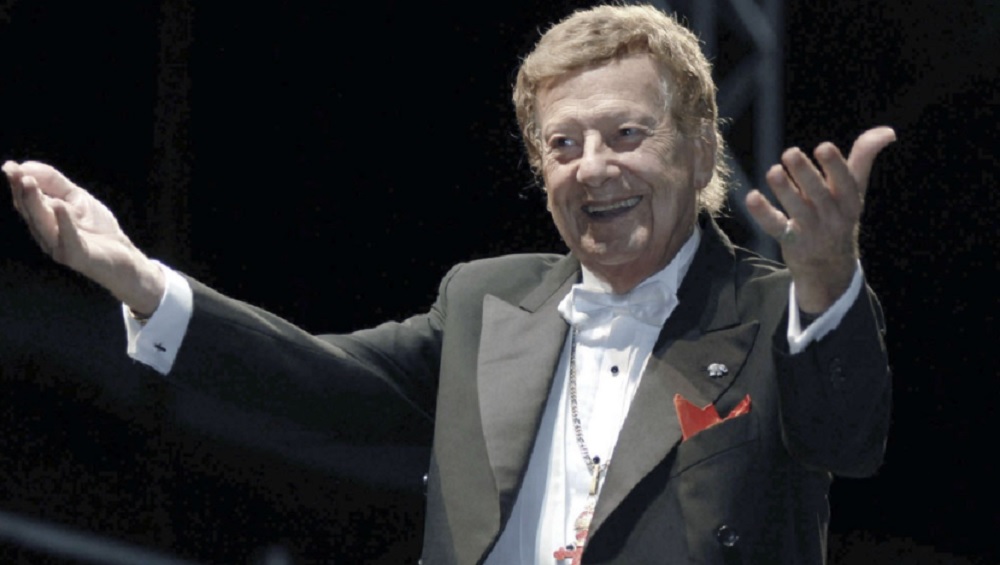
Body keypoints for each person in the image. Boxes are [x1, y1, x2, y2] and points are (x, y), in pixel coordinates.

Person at [4, 4, 893, 564]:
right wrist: (137, 279)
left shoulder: (777, 313)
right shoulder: (483, 302)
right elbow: (313, 379)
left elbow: (849, 438)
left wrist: (827, 282)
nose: (593, 166)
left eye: (626, 134)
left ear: (700, 151)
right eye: (564, 144)